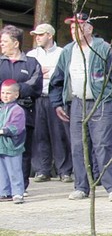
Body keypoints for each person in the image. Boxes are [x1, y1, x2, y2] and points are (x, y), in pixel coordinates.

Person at [49, 12, 112, 202]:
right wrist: (58, 103)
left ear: (89, 28)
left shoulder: (104, 48)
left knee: (103, 145)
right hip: (77, 103)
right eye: (72, 27)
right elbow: (57, 80)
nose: (75, 30)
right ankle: (81, 187)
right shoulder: (67, 51)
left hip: (102, 103)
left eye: (80, 26)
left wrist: (108, 97)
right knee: (78, 146)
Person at [27, 23, 73, 184]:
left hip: (56, 98)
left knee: (60, 134)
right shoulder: (32, 55)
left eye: (40, 34)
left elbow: (62, 75)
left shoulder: (62, 53)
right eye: (36, 35)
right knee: (39, 135)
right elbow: (30, 76)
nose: (37, 37)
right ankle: (42, 170)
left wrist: (45, 72)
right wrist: (41, 73)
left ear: (50, 35)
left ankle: (64, 170)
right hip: (37, 97)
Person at [0, 25, 43, 192]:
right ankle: (4, 188)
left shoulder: (32, 63)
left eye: (4, 41)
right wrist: (13, 90)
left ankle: (20, 187)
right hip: (1, 112)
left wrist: (12, 89)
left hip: (25, 111)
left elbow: (35, 86)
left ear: (16, 43)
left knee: (23, 151)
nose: (1, 44)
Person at [0, 80, 26, 204]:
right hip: (1, 146)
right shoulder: (1, 108)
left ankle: (18, 192)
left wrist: (5, 130)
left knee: (14, 170)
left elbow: (17, 127)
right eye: (3, 92)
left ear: (16, 95)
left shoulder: (18, 110)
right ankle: (4, 192)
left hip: (13, 146)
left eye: (8, 93)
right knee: (2, 171)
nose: (5, 95)